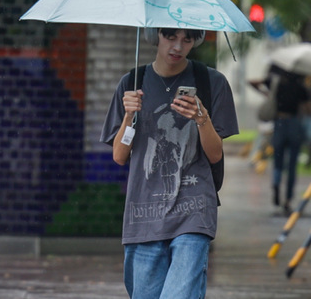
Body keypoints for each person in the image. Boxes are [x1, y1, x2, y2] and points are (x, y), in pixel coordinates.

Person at [100, 27, 239, 299]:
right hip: (143, 215)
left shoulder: (212, 82)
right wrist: (129, 115)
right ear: (155, 37)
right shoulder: (131, 84)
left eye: (187, 39)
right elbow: (119, 156)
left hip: (194, 211)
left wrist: (202, 118)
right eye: (170, 37)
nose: (178, 46)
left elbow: (215, 154)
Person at [249, 65, 311, 215]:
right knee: (292, 165)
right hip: (294, 124)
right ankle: (288, 199)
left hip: (279, 123)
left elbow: (252, 82)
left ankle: (276, 185)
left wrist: (268, 94)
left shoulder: (275, 83)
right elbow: (309, 109)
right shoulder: (301, 87)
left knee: (277, 160)